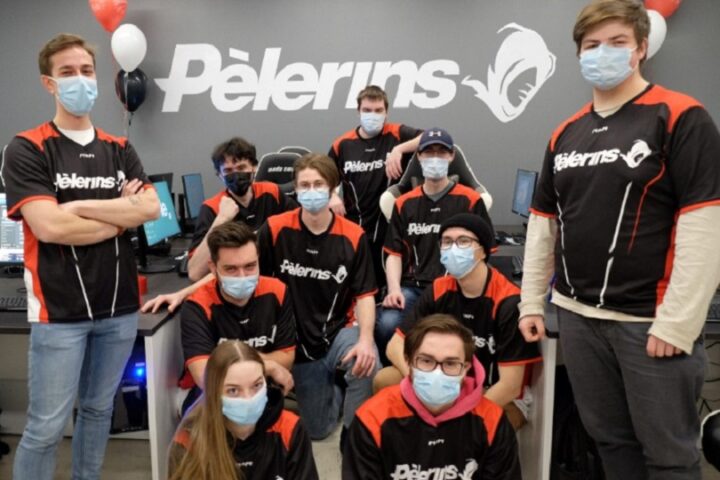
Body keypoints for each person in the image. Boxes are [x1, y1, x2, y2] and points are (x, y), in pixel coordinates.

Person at [518, 1, 720, 478]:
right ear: (578, 53)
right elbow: (543, 224)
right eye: (592, 45)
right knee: (610, 444)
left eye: (617, 42)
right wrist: (530, 303)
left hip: (648, 325)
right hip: (577, 319)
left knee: (670, 457)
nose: (602, 53)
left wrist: (678, 323)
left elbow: (704, 224)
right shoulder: (565, 133)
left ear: (641, 48)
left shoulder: (679, 116)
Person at [2, 33, 160, 480]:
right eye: (67, 72)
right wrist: (119, 217)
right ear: (49, 83)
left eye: (86, 71)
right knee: (46, 427)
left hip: (119, 308)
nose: (80, 80)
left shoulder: (119, 148)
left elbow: (151, 207)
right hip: (59, 312)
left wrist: (77, 207)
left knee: (98, 410)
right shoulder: (27, 147)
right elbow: (50, 227)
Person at [377, 214, 541, 428]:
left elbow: (510, 386)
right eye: (446, 241)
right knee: (385, 379)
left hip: (495, 393)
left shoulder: (508, 302)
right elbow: (394, 346)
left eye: (463, 241)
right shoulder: (438, 289)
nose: (453, 248)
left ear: (483, 251)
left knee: (468, 432)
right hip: (447, 381)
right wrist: (420, 380)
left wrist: (458, 415)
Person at [257, 153, 379, 442]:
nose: (311, 191)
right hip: (294, 342)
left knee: (367, 362)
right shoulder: (274, 228)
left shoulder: (353, 235)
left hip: (337, 332)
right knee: (317, 430)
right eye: (304, 185)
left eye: (319, 184)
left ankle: (354, 436)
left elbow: (365, 295)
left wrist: (365, 340)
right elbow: (246, 273)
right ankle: (334, 389)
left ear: (332, 188)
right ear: (296, 189)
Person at [342, 314, 522, 479]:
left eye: (450, 363)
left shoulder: (492, 422)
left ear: (466, 368)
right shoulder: (371, 419)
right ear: (408, 362)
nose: (438, 372)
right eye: (426, 361)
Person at [379, 128, 495, 358]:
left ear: (451, 156)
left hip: (456, 287)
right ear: (419, 157)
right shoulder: (404, 203)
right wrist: (393, 290)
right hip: (413, 288)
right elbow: (394, 253)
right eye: (428, 152)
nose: (434, 158)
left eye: (441, 152)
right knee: (386, 324)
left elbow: (484, 253)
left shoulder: (471, 200)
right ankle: (399, 372)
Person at [179, 221, 296, 413]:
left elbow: (286, 358)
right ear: (213, 268)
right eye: (231, 269)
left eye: (250, 266)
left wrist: (226, 363)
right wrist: (269, 365)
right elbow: (204, 375)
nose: (242, 276)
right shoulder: (197, 306)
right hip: (215, 395)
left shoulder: (278, 291)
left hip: (263, 388)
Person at [168, 340, 318, 480]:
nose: (248, 399)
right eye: (233, 390)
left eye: (256, 385)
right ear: (214, 393)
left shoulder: (290, 429)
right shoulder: (189, 440)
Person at [328, 85, 423, 291]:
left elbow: (432, 137)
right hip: (356, 225)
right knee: (357, 285)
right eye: (367, 110)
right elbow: (324, 175)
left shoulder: (397, 134)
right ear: (358, 111)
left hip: (391, 227)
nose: (373, 115)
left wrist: (400, 149)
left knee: (387, 286)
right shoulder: (342, 144)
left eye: (379, 110)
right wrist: (332, 195)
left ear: (386, 112)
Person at [186, 136, 296, 281]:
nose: (236, 175)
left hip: (274, 278)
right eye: (228, 170)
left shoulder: (272, 192)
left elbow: (301, 222)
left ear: (254, 167)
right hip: (237, 281)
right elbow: (194, 273)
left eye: (241, 168)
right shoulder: (211, 207)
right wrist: (221, 220)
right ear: (220, 175)